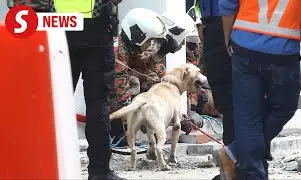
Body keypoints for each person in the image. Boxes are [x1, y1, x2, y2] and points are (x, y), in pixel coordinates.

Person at [219, 0, 301, 179]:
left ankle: (236, 152)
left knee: (248, 119)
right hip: (284, 54)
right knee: (284, 108)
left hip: (245, 47)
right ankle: (234, 153)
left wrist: (227, 36)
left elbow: (227, 5)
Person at [52, 0, 126, 179]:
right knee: (98, 103)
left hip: (55, 26)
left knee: (53, 103)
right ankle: (99, 171)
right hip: (95, 27)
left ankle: (51, 167)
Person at [110, 9, 199, 150]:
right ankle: (118, 134)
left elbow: (142, 65)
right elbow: (122, 89)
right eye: (148, 41)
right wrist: (129, 126)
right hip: (108, 93)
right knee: (134, 83)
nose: (149, 45)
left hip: (121, 89)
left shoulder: (128, 48)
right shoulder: (118, 53)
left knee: (153, 79)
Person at [191, 0, 235, 179]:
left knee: (239, 103)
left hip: (232, 26)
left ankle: (239, 165)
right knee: (225, 104)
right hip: (210, 28)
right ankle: (231, 167)